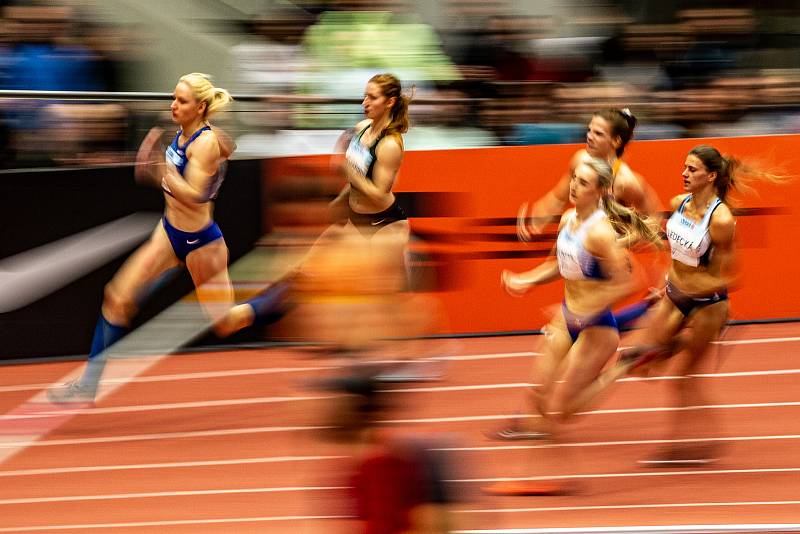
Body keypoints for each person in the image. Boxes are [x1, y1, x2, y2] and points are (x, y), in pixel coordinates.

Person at [48, 73, 254, 403]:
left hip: (201, 242)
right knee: (116, 297)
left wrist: (162, 169)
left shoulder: (204, 143)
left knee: (226, 322)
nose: (173, 105)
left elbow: (194, 196)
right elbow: (226, 148)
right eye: (173, 98)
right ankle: (88, 385)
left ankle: (278, 301)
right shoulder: (185, 134)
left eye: (181, 101)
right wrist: (160, 168)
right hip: (169, 233)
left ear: (199, 107)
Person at [484, 157, 661, 494]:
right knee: (538, 396)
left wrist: (589, 308)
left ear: (600, 191)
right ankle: (542, 475)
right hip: (568, 318)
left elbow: (629, 281)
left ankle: (624, 365)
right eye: (573, 180)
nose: (573, 186)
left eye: (582, 182)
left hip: (596, 329)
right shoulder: (568, 219)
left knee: (561, 410)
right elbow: (557, 265)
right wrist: (526, 279)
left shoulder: (600, 232)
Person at [607, 145, 786, 466]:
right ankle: (669, 348)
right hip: (675, 296)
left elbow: (728, 276)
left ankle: (687, 446)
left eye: (692, 169)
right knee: (640, 364)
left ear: (711, 176)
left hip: (707, 306)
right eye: (684, 167)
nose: (683, 174)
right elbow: (674, 249)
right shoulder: (679, 203)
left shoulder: (722, 220)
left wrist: (687, 289)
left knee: (683, 380)